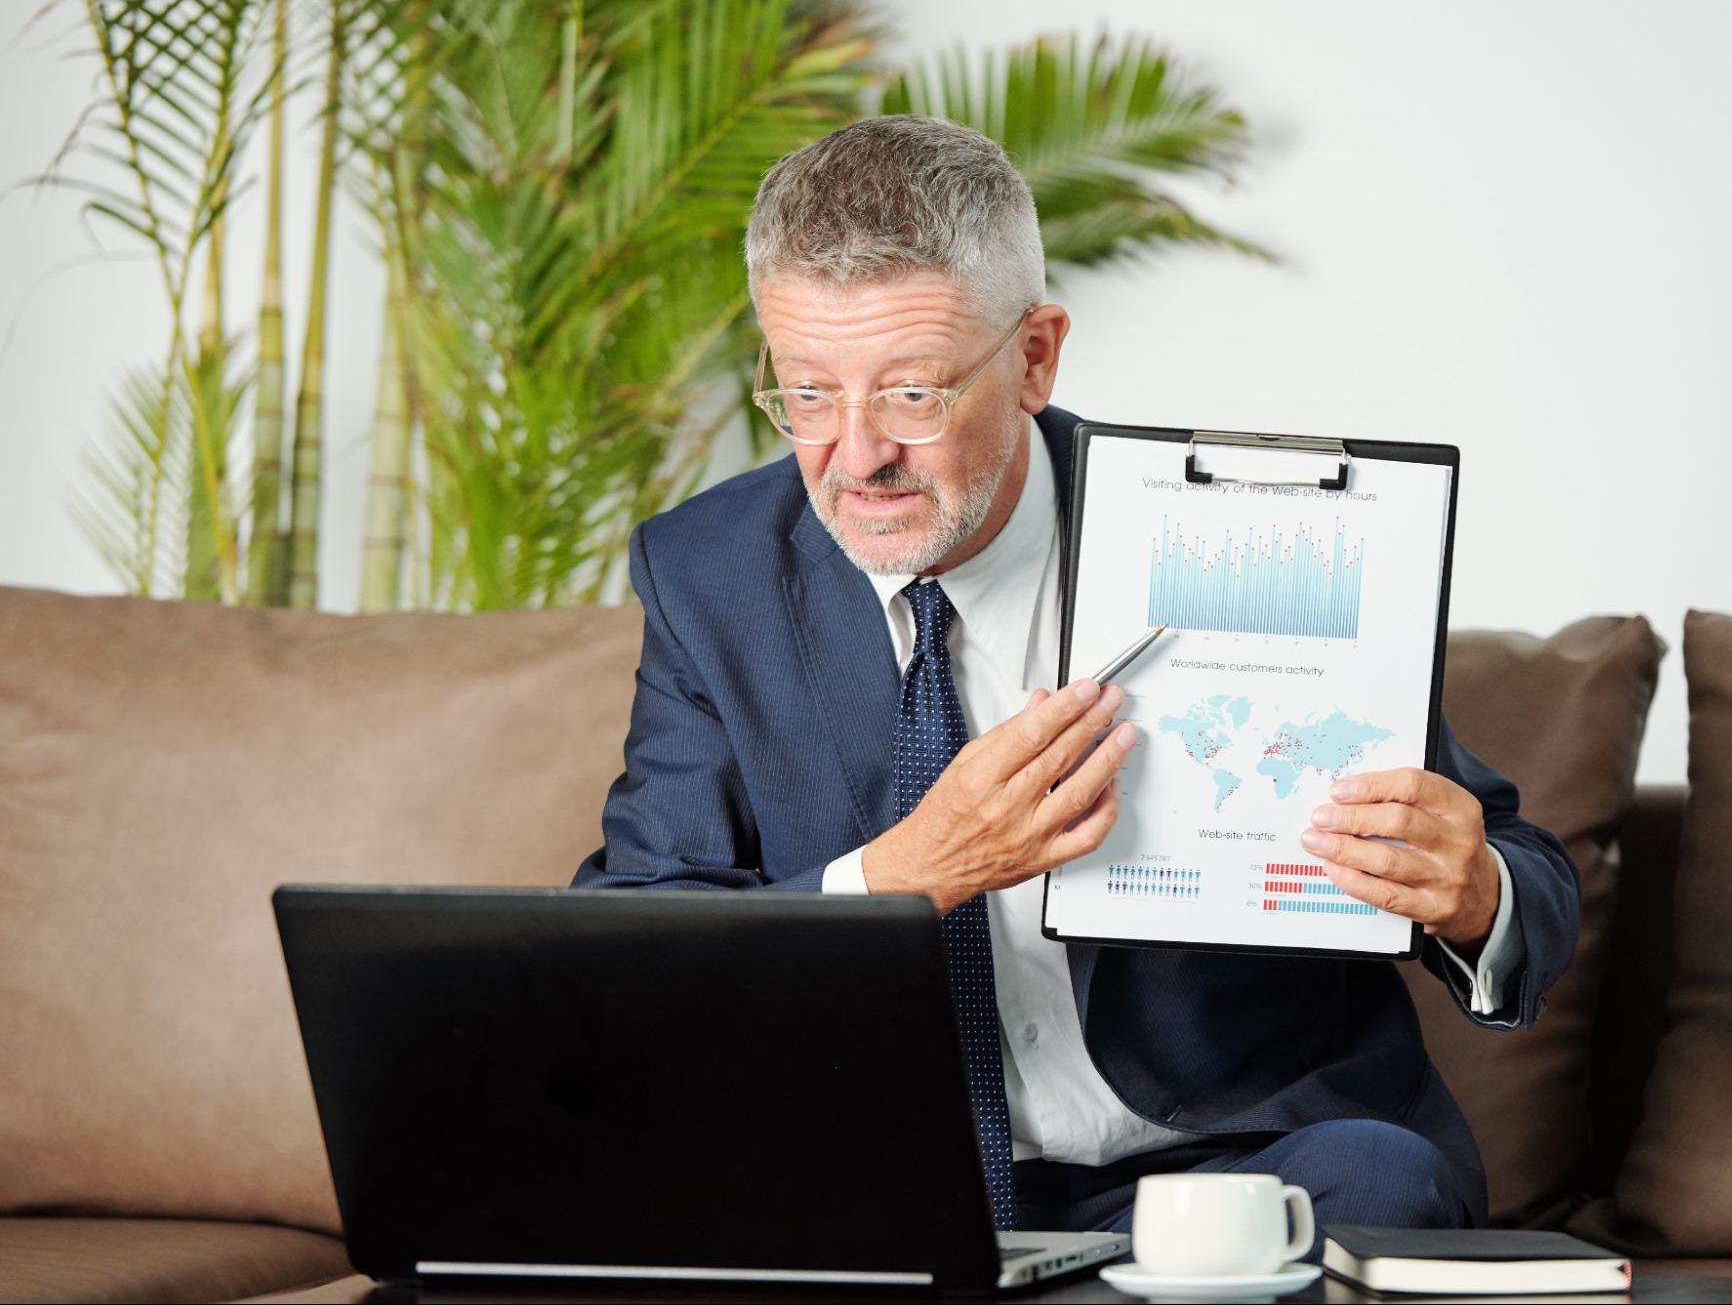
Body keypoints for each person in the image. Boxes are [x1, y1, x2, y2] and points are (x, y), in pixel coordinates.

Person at [573, 114, 1580, 1235]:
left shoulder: (1237, 531)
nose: (856, 456)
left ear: (1035, 356)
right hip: (885, 1178)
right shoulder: (711, 574)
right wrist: (910, 875)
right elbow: (635, 950)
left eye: (912, 394)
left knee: (1378, 1182)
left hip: (1242, 1164)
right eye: (808, 392)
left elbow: (1525, 876)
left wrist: (1474, 891)